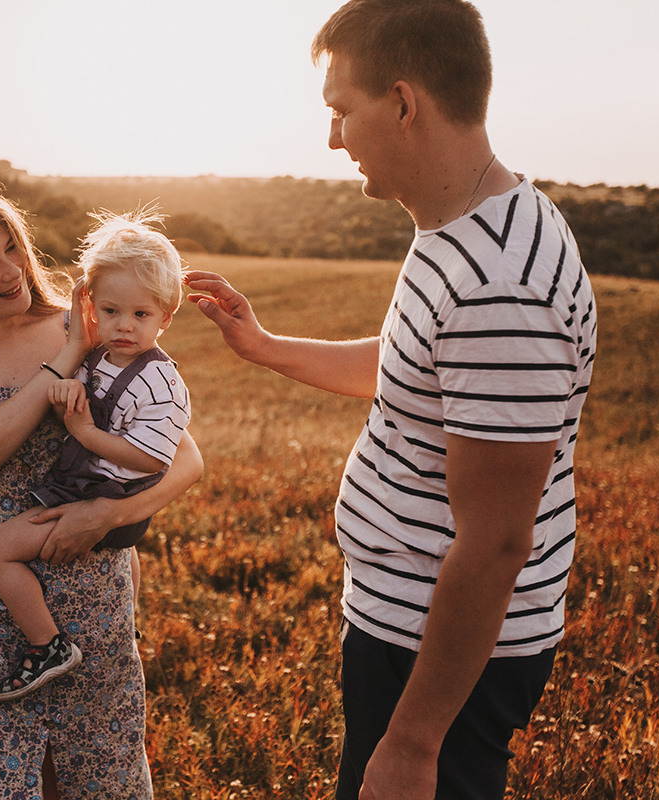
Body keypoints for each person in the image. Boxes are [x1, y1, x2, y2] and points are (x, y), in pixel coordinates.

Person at [185, 2, 597, 799]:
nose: (333, 139)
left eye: (341, 112)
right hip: (402, 626)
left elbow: (496, 542)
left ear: (404, 104)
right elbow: (414, 370)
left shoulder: (499, 286)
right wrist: (265, 345)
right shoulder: (461, 229)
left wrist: (413, 744)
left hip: (439, 661)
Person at [0, 172, 202, 799]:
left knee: (104, 777)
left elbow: (184, 460)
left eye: (11, 246)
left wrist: (106, 518)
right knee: (1, 782)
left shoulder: (92, 324)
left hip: (90, 582)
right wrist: (64, 359)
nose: (10, 271)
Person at [0, 209, 191, 702]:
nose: (123, 327)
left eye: (141, 315)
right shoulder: (99, 356)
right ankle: (127, 623)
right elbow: (88, 390)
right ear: (91, 304)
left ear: (166, 315)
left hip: (110, 495)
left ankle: (47, 645)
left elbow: (151, 461)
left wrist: (84, 430)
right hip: (92, 483)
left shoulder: (162, 383)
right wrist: (68, 391)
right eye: (111, 311)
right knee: (124, 560)